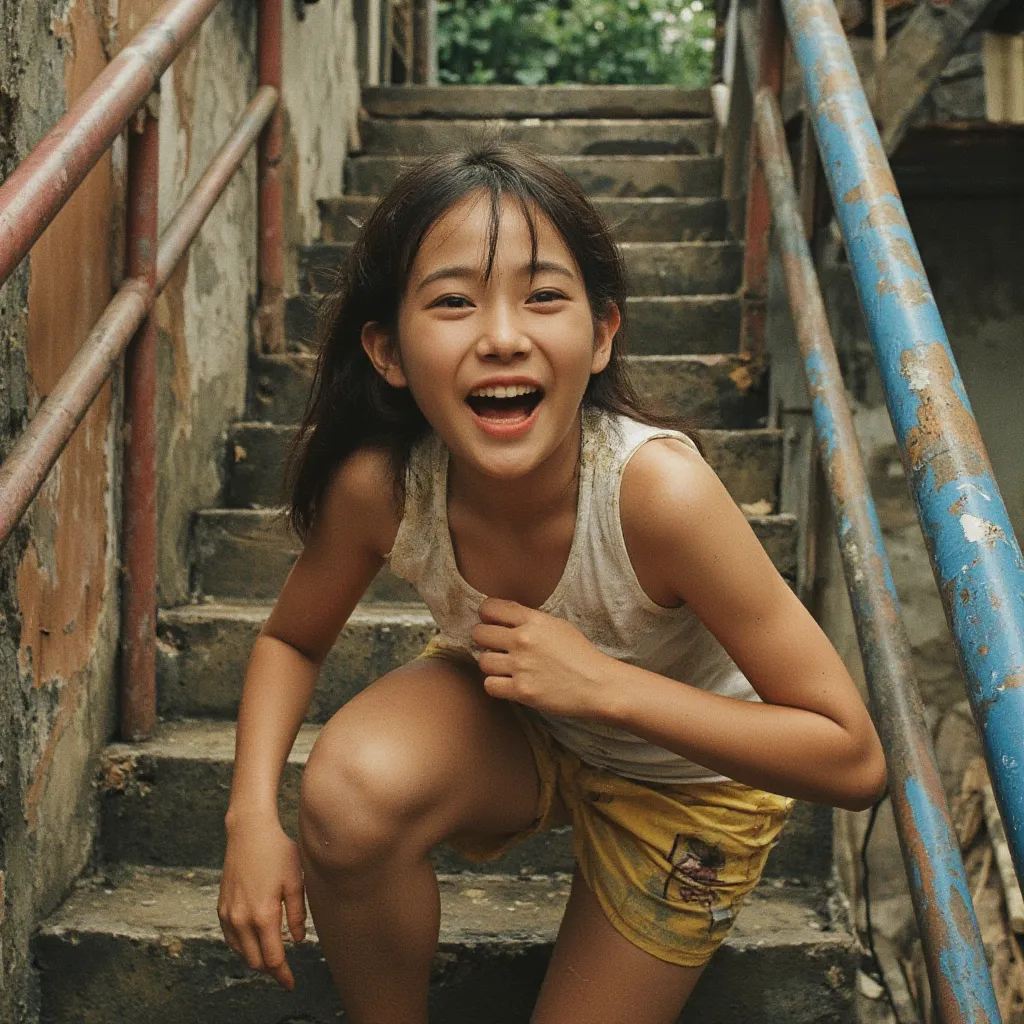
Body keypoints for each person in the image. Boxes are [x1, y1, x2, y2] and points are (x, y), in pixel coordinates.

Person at [217, 146, 886, 1024]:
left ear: (604, 333)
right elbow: (290, 638)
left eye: (543, 296)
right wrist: (248, 820)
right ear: (386, 351)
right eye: (453, 302)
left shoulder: (659, 496)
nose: (501, 335)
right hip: (519, 718)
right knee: (345, 791)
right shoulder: (384, 486)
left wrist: (604, 686)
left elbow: (852, 757)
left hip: (688, 786)